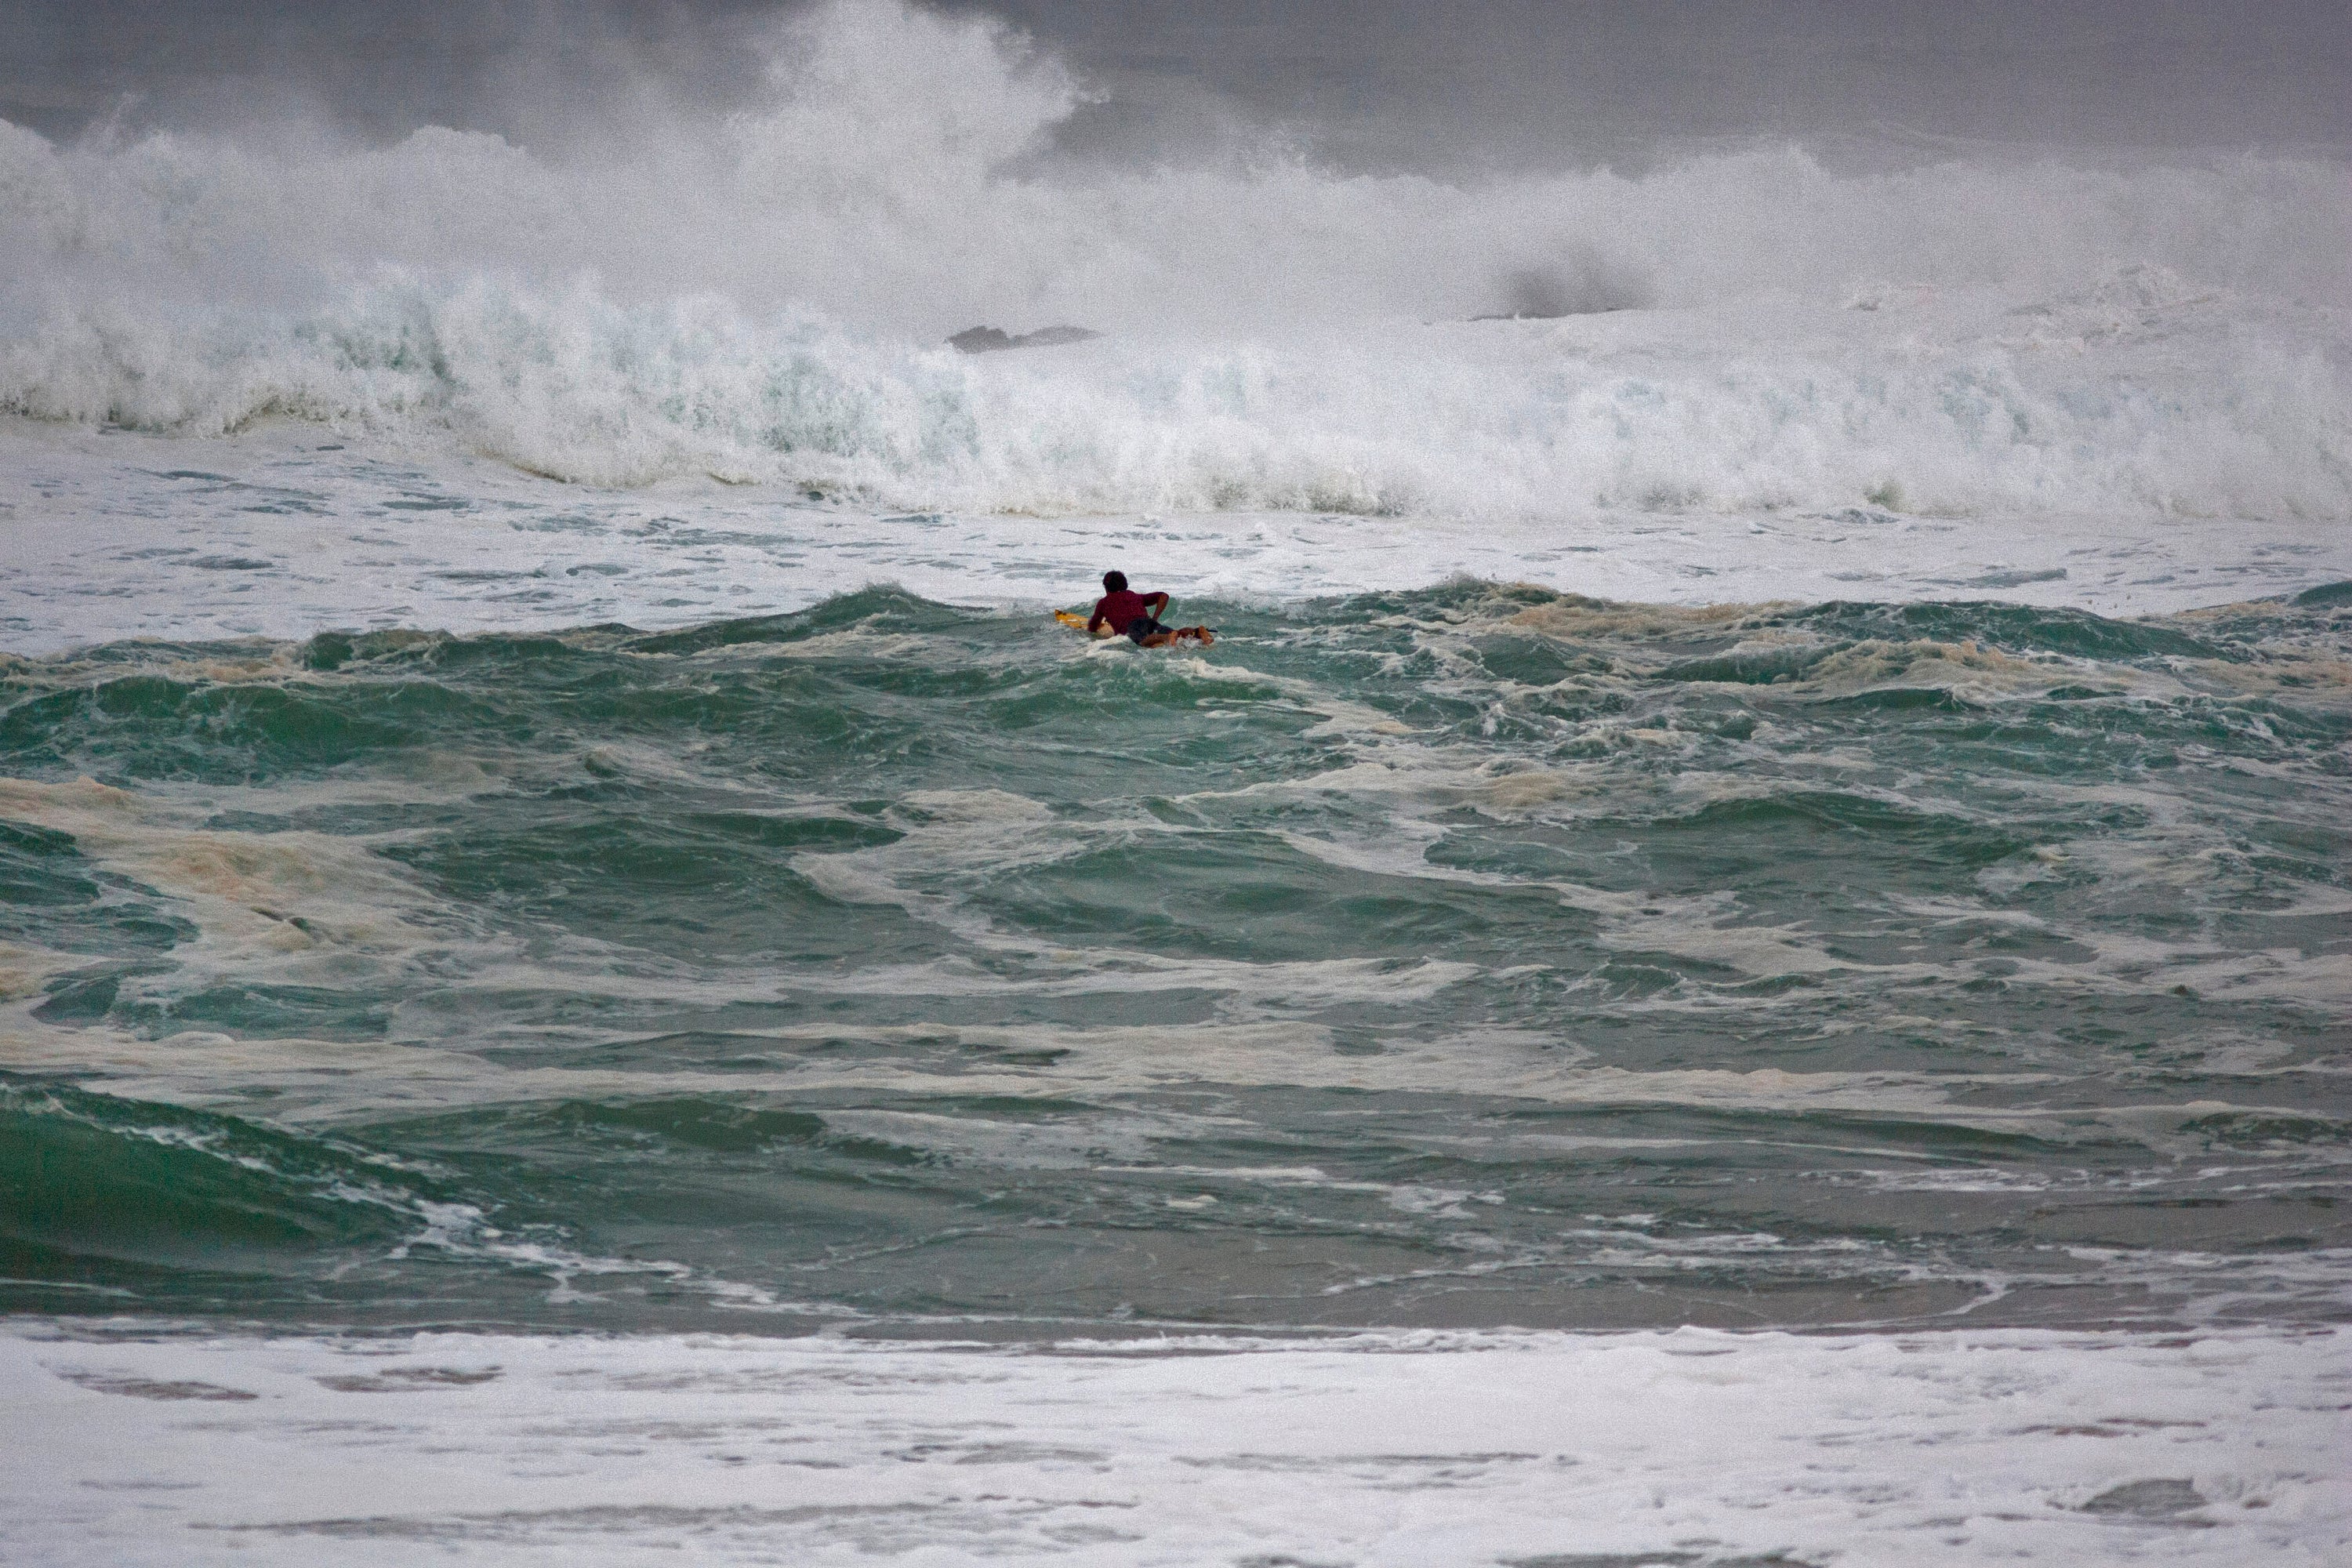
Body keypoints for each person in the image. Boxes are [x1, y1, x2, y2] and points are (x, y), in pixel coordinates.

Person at [1087, 571, 1213, 647]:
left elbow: (1093, 627)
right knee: (1179, 635)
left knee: (1143, 641)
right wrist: (1155, 618)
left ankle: (1167, 637)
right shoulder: (1134, 596)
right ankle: (1197, 632)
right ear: (1125, 585)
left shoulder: (1104, 603)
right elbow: (1163, 596)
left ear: (1106, 588)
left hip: (1133, 627)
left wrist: (1090, 632)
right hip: (1149, 622)